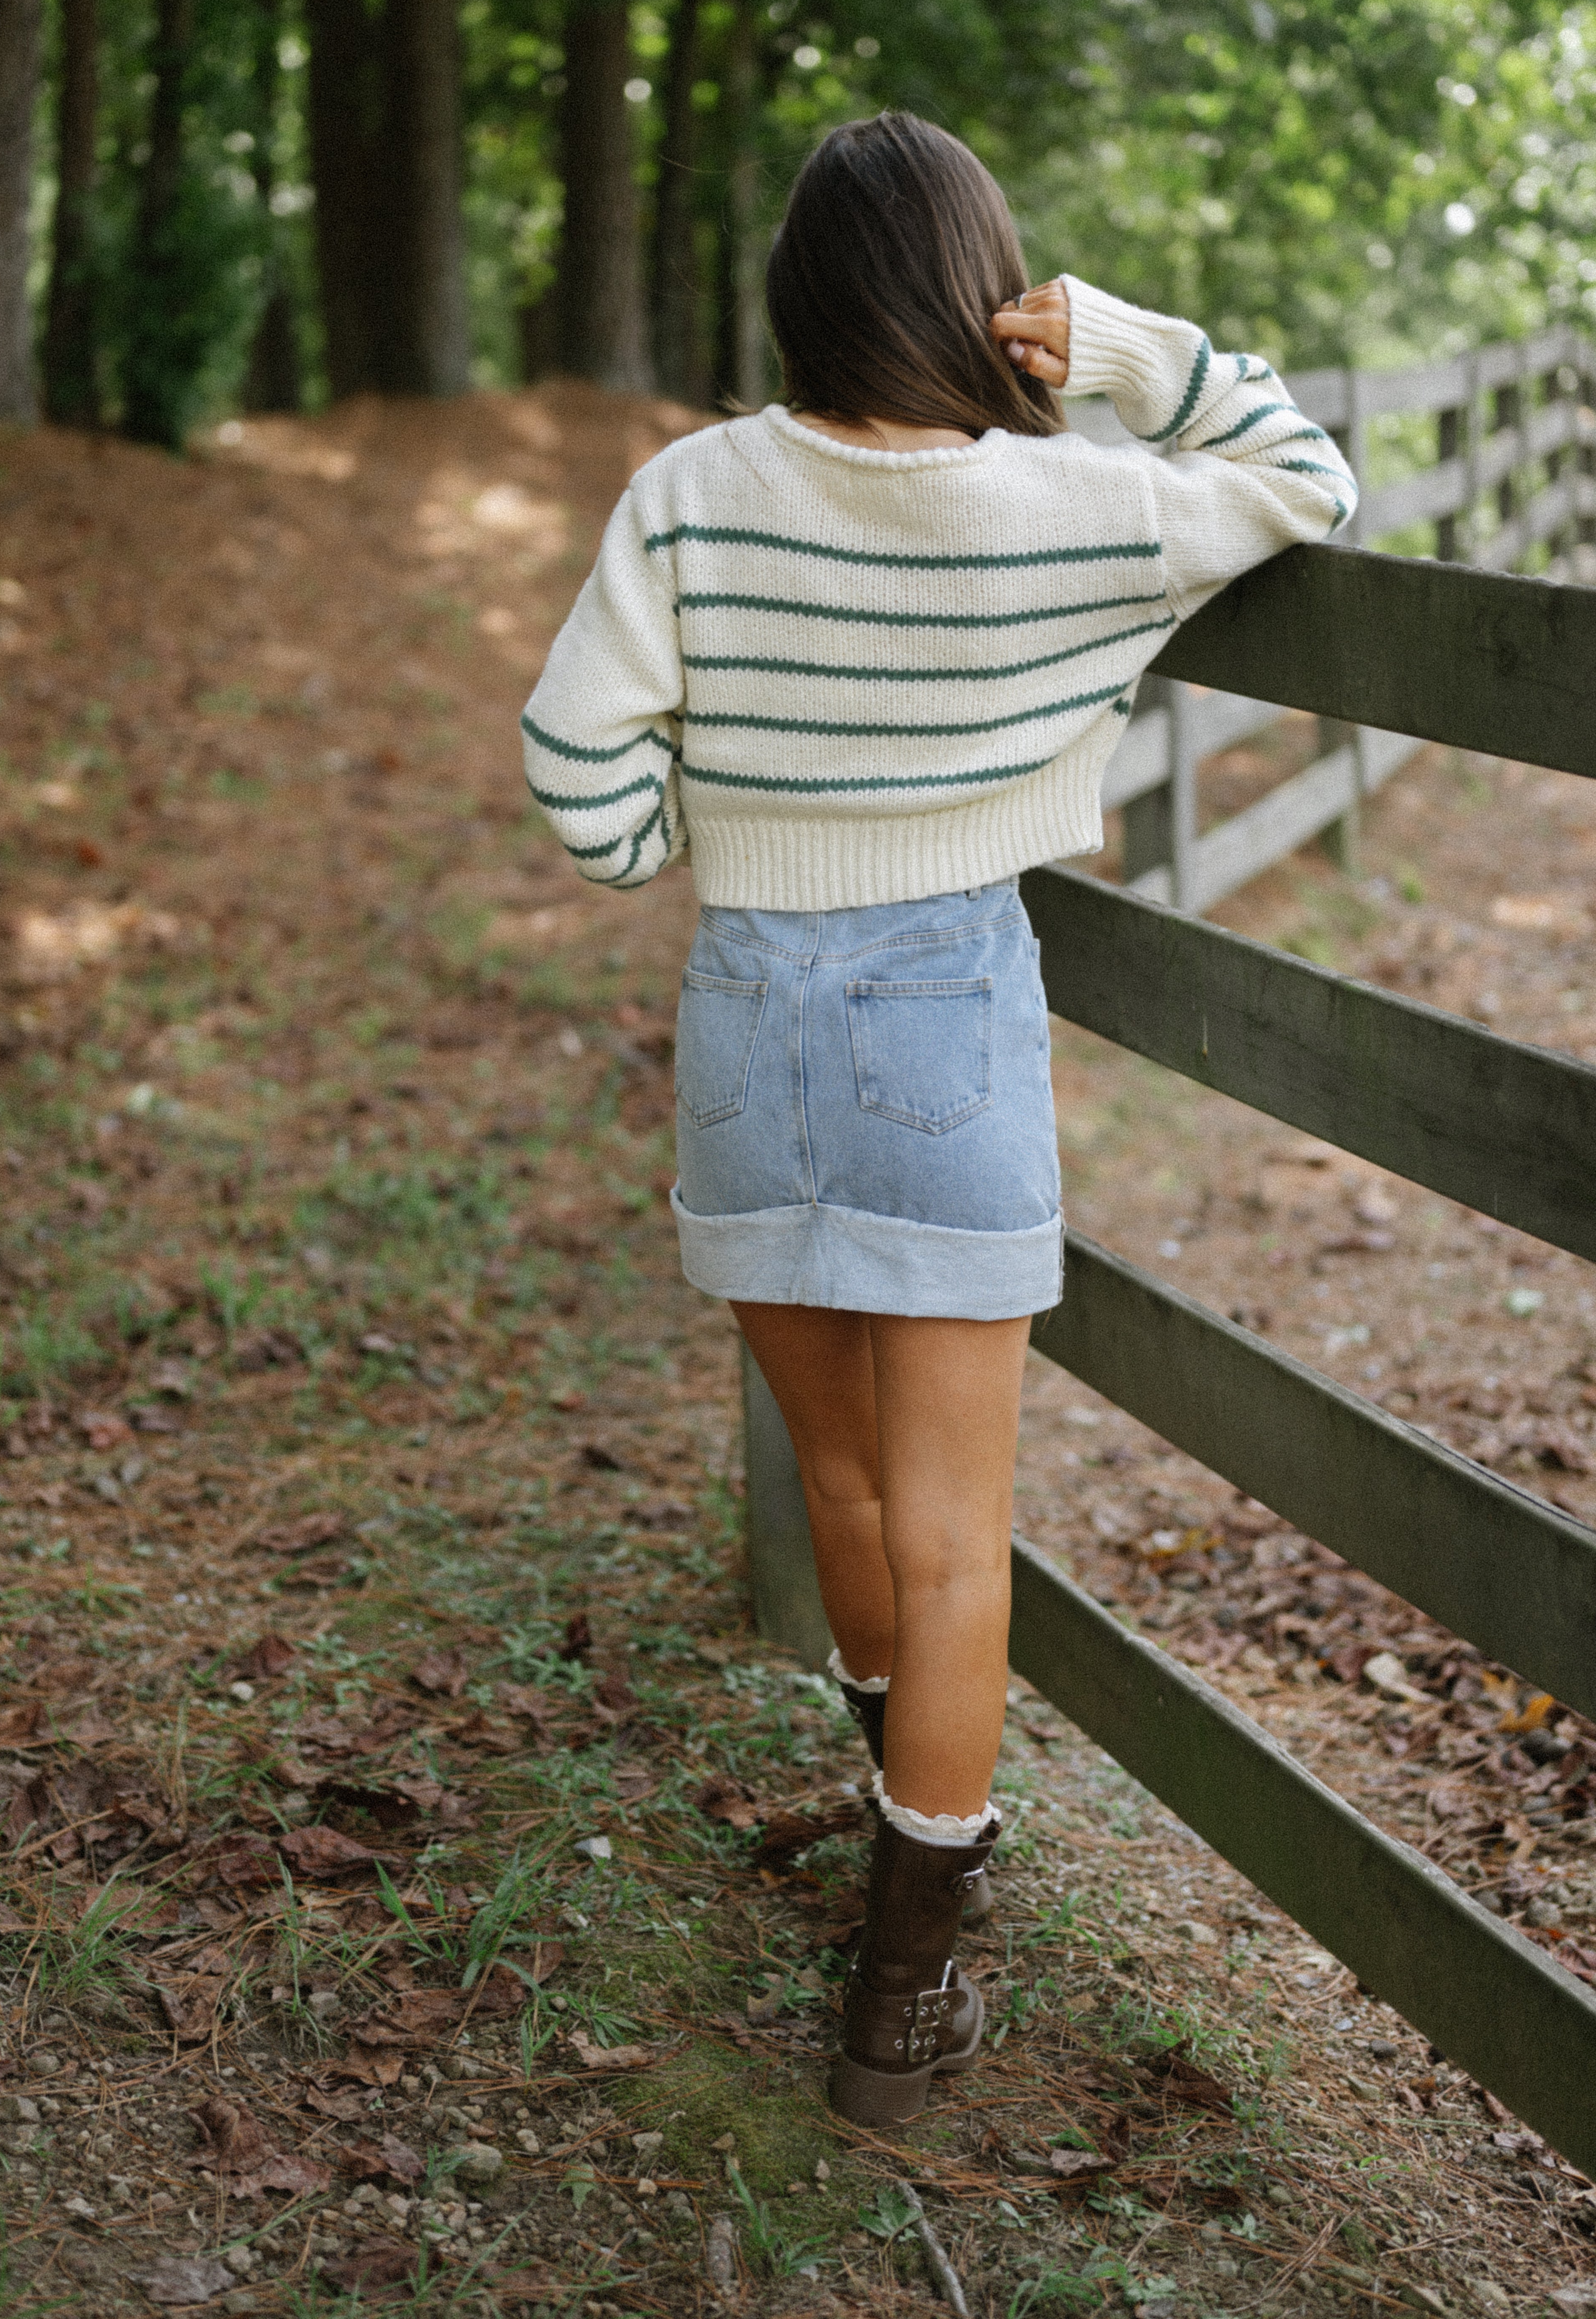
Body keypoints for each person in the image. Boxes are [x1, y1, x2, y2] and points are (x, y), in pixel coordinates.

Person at [521, 112, 1356, 2124]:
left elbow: (576, 765)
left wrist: (683, 839)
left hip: (749, 1016)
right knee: (959, 1534)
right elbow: (1306, 474)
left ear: (798, 295)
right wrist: (1131, 355)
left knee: (840, 1485)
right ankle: (906, 1989)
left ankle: (902, 1809)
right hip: (944, 1015)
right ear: (981, 299)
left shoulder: (696, 489)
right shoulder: (1074, 506)